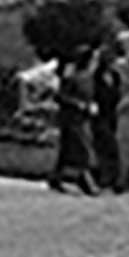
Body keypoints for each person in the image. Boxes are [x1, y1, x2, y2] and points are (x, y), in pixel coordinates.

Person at [49, 51, 97, 193]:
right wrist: (78, 104)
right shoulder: (73, 78)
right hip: (71, 119)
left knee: (67, 150)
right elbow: (60, 96)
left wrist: (91, 105)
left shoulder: (89, 78)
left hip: (81, 118)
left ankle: (55, 177)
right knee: (83, 149)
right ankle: (84, 179)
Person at [91, 41, 125, 193]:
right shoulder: (95, 78)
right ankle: (113, 177)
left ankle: (109, 176)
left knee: (107, 145)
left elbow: (117, 93)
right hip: (99, 116)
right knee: (108, 145)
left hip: (111, 114)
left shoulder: (115, 76)